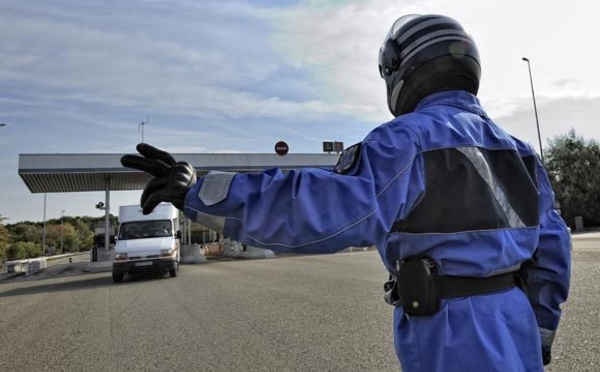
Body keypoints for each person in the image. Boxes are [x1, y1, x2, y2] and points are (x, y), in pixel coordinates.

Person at [121, 14, 571, 371]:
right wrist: (540, 334)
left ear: (404, 68)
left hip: (454, 332)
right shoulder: (522, 153)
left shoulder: (406, 140)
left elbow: (323, 206)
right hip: (517, 325)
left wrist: (200, 192)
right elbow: (552, 252)